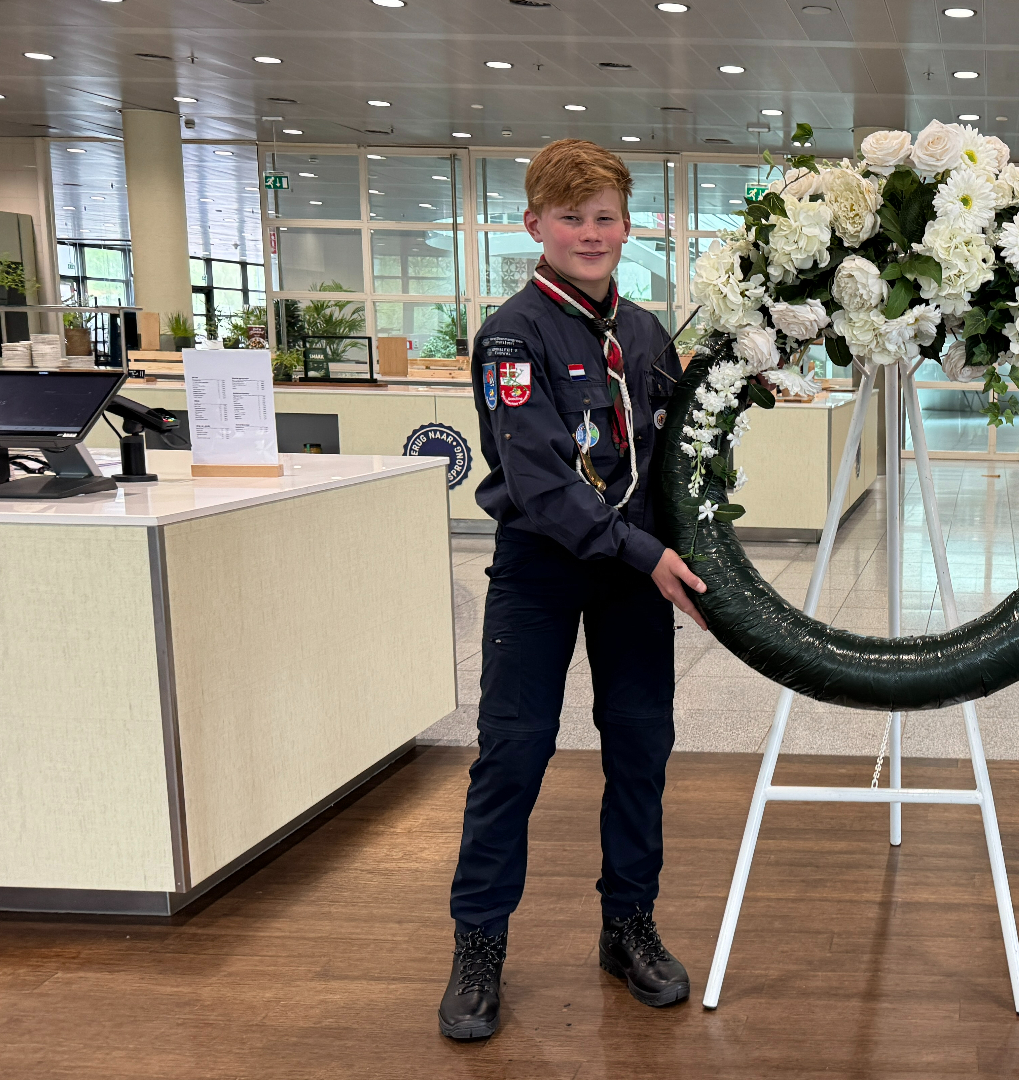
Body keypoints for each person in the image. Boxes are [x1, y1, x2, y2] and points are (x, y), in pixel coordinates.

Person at [438, 139, 710, 1040]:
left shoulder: (643, 334)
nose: (590, 234)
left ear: (627, 227)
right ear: (534, 226)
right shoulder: (513, 335)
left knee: (640, 748)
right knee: (512, 753)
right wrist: (641, 554)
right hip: (544, 569)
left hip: (631, 574)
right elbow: (542, 478)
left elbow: (677, 455)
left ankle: (626, 924)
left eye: (604, 218)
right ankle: (478, 946)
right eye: (570, 218)